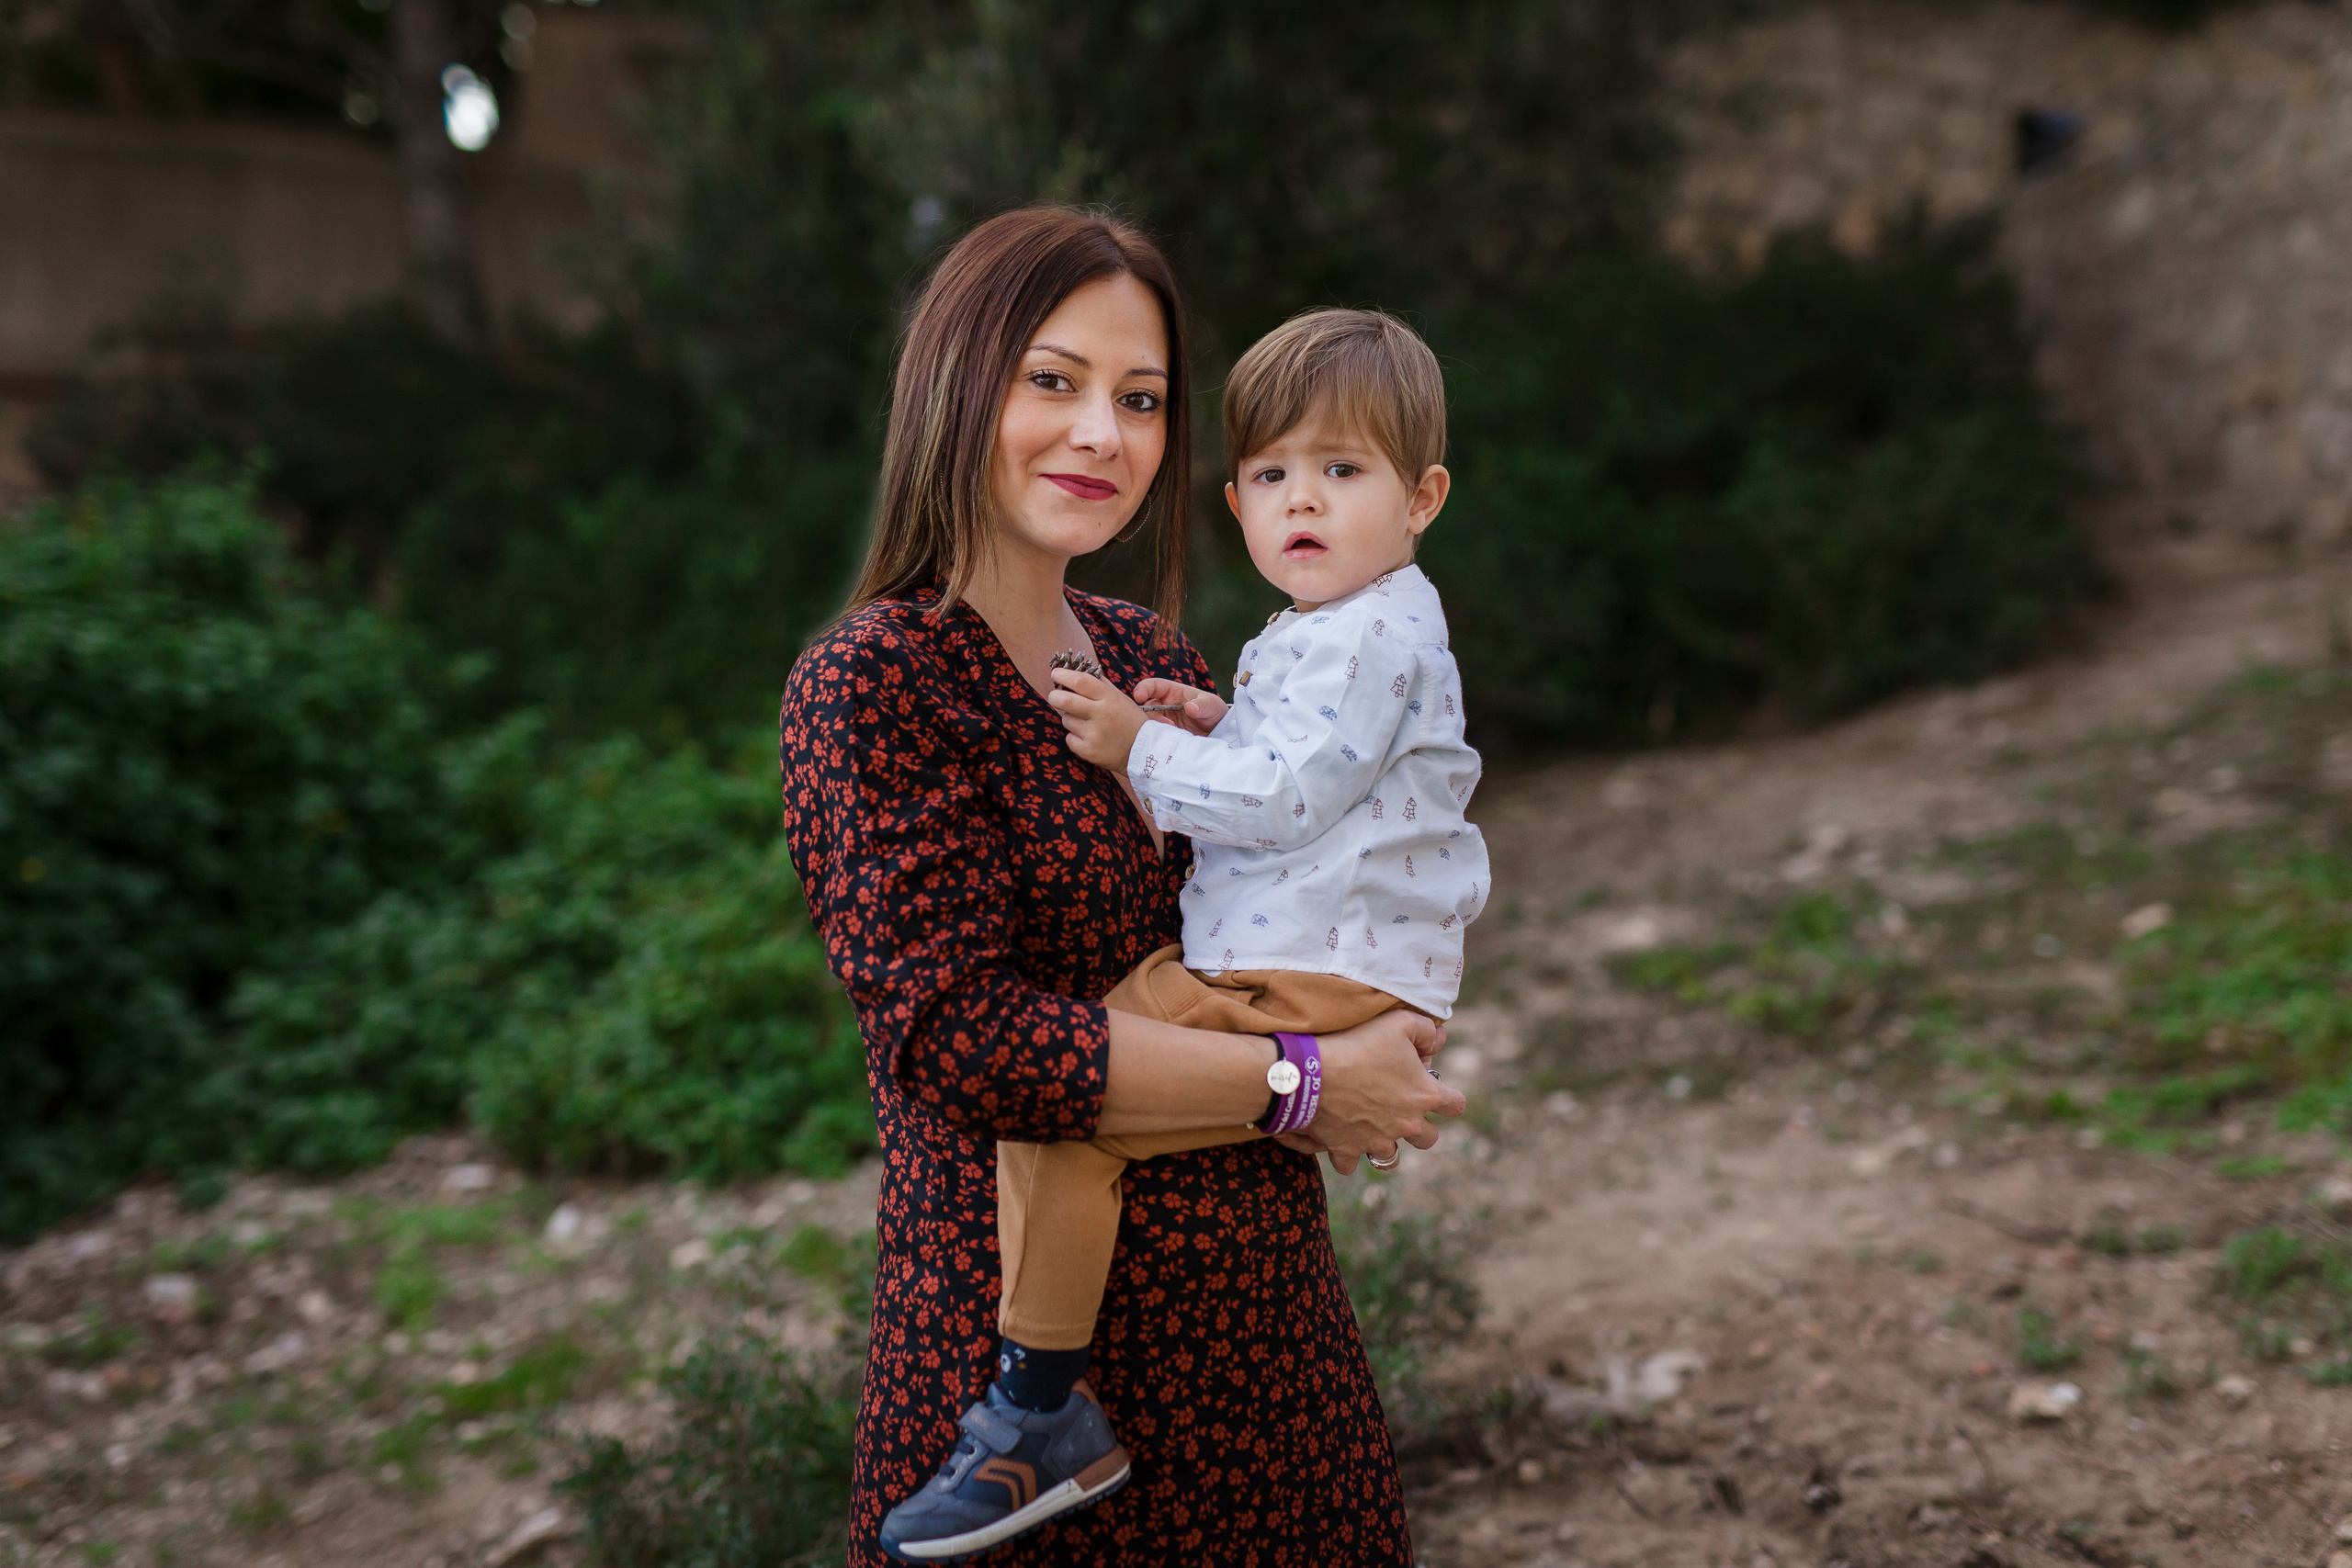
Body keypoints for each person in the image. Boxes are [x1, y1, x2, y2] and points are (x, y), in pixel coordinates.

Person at [779, 208, 1464, 1568]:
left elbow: (1293, 884)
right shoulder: (874, 686)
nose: (1103, 432)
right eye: (1054, 381)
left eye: (1140, 399)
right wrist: (1311, 1080)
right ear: (955, 385)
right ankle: (1038, 1417)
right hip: (1018, 1398)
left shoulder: (1146, 651)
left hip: (1267, 1359)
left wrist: (1380, 996)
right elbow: (961, 1042)